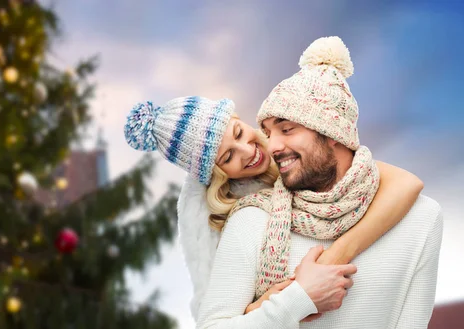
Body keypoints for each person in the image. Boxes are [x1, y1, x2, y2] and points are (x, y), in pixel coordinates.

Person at [194, 36, 442, 328]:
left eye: (287, 129)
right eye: (269, 132)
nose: (272, 146)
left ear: (332, 131)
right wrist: (297, 299)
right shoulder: (252, 220)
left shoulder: (422, 218)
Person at [125, 88, 421, 326]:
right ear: (217, 174)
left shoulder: (298, 153)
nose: (249, 151)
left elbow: (406, 184)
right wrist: (278, 301)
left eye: (239, 133)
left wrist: (335, 257)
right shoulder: (238, 217)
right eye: (227, 157)